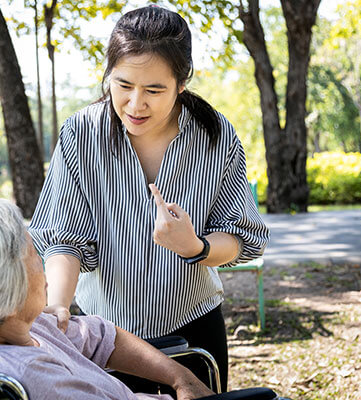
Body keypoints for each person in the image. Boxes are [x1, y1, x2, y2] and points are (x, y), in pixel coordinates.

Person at [29, 6, 269, 392]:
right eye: (123, 85)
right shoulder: (81, 133)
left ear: (181, 83)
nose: (135, 104)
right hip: (106, 336)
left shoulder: (216, 135)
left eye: (154, 90)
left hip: (195, 327)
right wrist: (58, 304)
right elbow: (63, 237)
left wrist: (194, 246)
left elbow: (240, 238)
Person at [0, 199, 214, 400]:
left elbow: (102, 335)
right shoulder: (40, 381)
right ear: (7, 290)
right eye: (35, 257)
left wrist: (180, 377)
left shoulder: (17, 326)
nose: (44, 267)